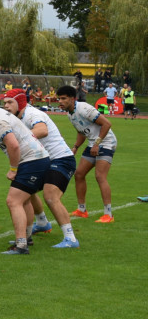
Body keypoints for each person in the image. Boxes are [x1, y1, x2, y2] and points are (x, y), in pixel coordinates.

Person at [0, 93, 50, 254]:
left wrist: (13, 169)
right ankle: (26, 238)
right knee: (24, 201)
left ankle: (21, 245)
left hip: (32, 161)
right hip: (38, 159)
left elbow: (13, 145)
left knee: (13, 201)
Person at [1, 89, 80, 248]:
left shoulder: (31, 113)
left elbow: (42, 130)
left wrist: (20, 139)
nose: (6, 106)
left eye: (10, 102)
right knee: (25, 189)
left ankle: (70, 238)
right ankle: (42, 223)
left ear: (20, 102)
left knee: (50, 196)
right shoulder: (17, 117)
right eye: (4, 103)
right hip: (42, 160)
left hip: (61, 159)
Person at [56, 84, 118, 223]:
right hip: (93, 144)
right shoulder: (70, 114)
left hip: (106, 142)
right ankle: (82, 210)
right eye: (59, 98)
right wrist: (76, 147)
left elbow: (107, 124)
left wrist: (97, 143)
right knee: (79, 174)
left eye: (63, 98)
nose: (60, 101)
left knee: (100, 176)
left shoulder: (83, 108)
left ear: (72, 99)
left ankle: (108, 214)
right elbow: (81, 132)